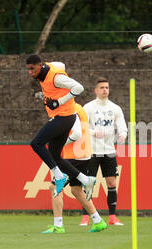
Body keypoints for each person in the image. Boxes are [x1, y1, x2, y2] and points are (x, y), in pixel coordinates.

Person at [26, 54, 96, 201]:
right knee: (55, 156)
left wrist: (59, 101)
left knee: (36, 143)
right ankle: (86, 180)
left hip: (64, 117)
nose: (30, 73)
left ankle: (59, 176)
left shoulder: (55, 77)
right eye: (28, 70)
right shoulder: (44, 70)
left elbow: (79, 87)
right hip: (62, 117)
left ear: (40, 65)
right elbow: (60, 64)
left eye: (32, 69)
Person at [41, 102, 108, 233]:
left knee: (54, 187)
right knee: (76, 190)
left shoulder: (70, 109)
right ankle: (98, 221)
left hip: (74, 156)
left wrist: (60, 145)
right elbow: (82, 129)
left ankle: (58, 225)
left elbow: (76, 133)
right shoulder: (78, 108)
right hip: (83, 154)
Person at [80, 77, 128, 226]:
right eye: (101, 88)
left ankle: (112, 217)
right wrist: (94, 132)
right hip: (91, 151)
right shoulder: (88, 107)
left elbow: (122, 125)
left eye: (106, 87)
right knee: (88, 184)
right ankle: (86, 217)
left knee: (111, 182)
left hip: (109, 150)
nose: (105, 90)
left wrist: (123, 134)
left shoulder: (115, 108)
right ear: (96, 90)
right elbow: (81, 126)